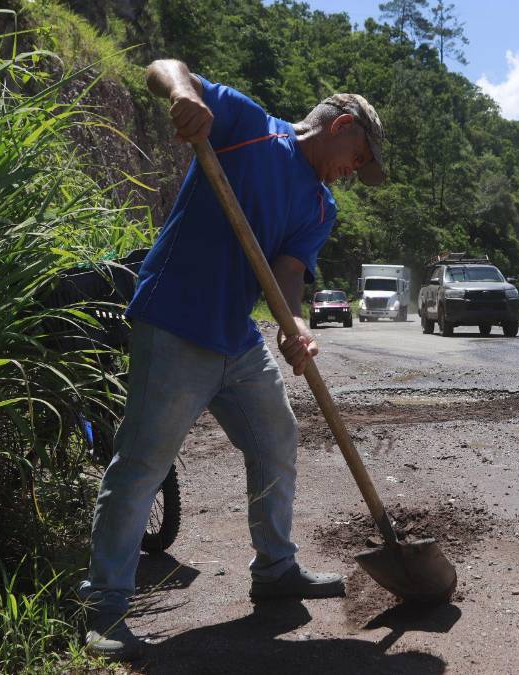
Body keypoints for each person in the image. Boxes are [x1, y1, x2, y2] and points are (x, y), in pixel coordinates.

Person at [78, 58, 386, 660]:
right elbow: (163, 67)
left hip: (236, 340)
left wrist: (295, 326)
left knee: (276, 441)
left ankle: (275, 570)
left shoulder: (322, 208)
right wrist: (184, 98)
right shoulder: (248, 126)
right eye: (360, 158)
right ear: (341, 123)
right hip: (173, 321)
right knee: (141, 464)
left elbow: (288, 276)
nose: (356, 173)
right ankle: (105, 606)